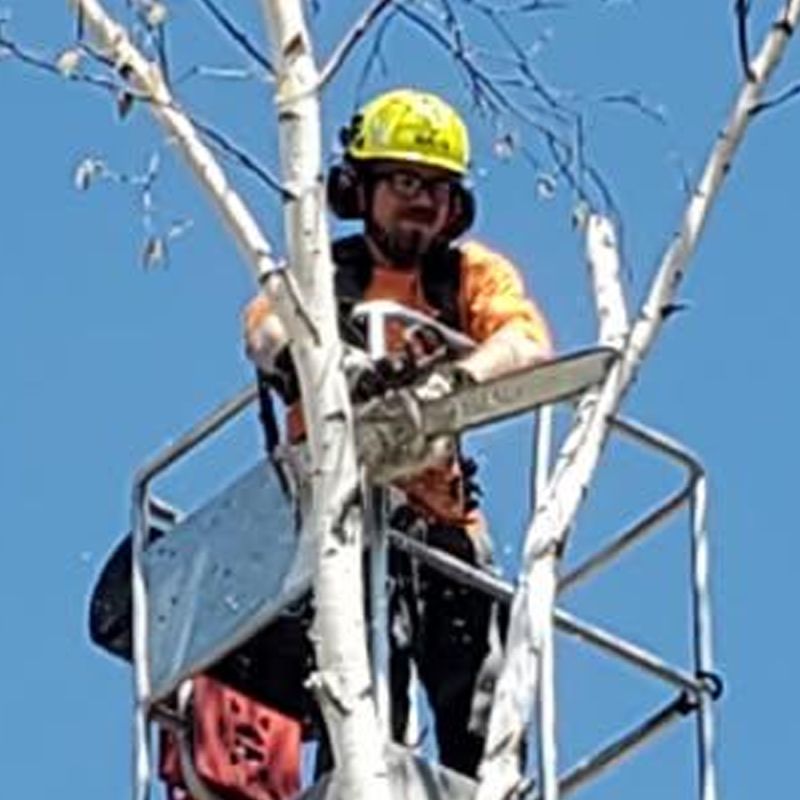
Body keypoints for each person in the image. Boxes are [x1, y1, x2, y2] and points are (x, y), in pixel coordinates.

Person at [160, 88, 553, 799]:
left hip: (445, 528)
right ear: (360, 186)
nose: (423, 202)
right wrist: (325, 368)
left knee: (484, 715)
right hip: (340, 526)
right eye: (405, 182)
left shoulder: (469, 276)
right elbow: (265, 330)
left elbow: (526, 345)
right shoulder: (320, 276)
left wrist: (445, 387)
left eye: (438, 188)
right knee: (363, 695)